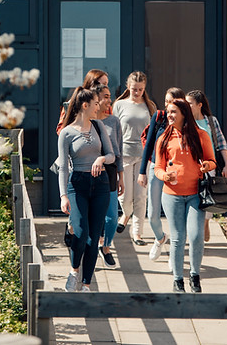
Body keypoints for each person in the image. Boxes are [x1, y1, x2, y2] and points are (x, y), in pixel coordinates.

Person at [154, 99, 216, 293]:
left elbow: (212, 160)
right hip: (171, 195)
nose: (169, 115)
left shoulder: (201, 135)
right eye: (168, 112)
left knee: (196, 236)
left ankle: (195, 275)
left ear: (183, 113)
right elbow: (157, 167)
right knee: (178, 238)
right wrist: (165, 175)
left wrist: (207, 165)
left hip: (195, 194)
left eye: (173, 112)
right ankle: (178, 280)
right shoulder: (163, 138)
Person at [57, 87, 115, 292]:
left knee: (94, 237)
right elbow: (63, 167)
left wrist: (101, 158)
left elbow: (111, 155)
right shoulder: (66, 133)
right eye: (96, 103)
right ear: (85, 105)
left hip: (100, 184)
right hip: (77, 185)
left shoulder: (99, 126)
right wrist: (63, 195)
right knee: (80, 232)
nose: (99, 106)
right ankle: (74, 272)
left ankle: (86, 284)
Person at [138, 87, 186, 261]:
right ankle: (160, 238)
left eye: (171, 102)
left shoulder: (186, 123)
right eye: (166, 101)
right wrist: (142, 171)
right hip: (156, 169)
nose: (167, 106)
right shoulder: (159, 117)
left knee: (176, 217)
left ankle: (175, 257)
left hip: (176, 172)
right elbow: (149, 145)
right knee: (152, 215)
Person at [113, 71, 156, 245]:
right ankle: (126, 214)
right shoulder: (119, 105)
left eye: (140, 89)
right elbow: (113, 130)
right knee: (124, 196)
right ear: (128, 87)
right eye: (134, 89)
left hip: (143, 155)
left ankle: (137, 233)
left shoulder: (149, 106)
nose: (137, 92)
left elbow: (153, 131)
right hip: (123, 155)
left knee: (140, 196)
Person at [185, 90, 227, 242]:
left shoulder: (211, 121)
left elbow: (221, 143)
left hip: (209, 165)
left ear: (199, 105)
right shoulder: (185, 121)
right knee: (192, 198)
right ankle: (193, 229)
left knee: (208, 197)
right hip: (190, 167)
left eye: (190, 103)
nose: (187, 105)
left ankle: (205, 222)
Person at [93, 83, 124, 269]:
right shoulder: (85, 123)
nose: (109, 100)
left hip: (111, 172)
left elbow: (118, 151)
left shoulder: (114, 121)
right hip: (90, 172)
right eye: (106, 96)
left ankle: (105, 246)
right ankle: (94, 246)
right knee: (92, 216)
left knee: (112, 217)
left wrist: (121, 177)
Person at [56, 69, 109, 135]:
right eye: (104, 84)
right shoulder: (75, 102)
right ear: (92, 84)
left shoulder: (105, 104)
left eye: (107, 84)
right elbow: (61, 129)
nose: (106, 87)